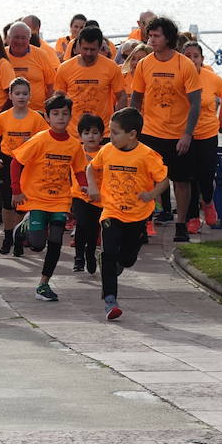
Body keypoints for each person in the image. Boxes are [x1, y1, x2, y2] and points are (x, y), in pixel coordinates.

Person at [86, 107, 169, 321]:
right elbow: (90, 168)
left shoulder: (147, 155)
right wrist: (93, 186)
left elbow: (163, 180)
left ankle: (118, 265)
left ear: (132, 134)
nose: (110, 137)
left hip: (138, 215)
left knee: (128, 258)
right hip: (111, 211)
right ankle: (110, 301)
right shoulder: (106, 151)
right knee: (108, 253)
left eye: (115, 132)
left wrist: (151, 194)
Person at [129, 17, 202, 243]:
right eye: (150, 35)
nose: (151, 39)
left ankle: (181, 223)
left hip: (178, 133)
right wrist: (133, 129)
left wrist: (187, 134)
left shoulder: (184, 64)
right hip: (150, 132)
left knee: (181, 181)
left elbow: (195, 103)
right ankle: (144, 222)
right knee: (145, 180)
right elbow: (136, 98)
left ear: (168, 38)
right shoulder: (144, 64)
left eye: (156, 36)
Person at [11, 94, 88, 302]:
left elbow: (79, 170)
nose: (60, 118)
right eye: (55, 114)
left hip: (60, 200)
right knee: (37, 244)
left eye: (65, 114)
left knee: (55, 241)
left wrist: (85, 187)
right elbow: (16, 162)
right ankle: (23, 228)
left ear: (71, 116)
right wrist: (16, 190)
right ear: (47, 117)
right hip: (36, 198)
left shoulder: (73, 144)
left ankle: (43, 284)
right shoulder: (39, 140)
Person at [0, 77, 49, 256]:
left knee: (21, 203)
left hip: (28, 164)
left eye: (24, 93)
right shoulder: (3, 117)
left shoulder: (36, 118)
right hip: (8, 160)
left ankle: (18, 237)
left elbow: (45, 139)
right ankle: (7, 236)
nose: (21, 97)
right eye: (17, 93)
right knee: (7, 202)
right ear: (11, 95)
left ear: (30, 96)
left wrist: (31, 142)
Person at [181, 40, 222, 235]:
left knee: (206, 175)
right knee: (189, 177)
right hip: (185, 134)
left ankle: (208, 201)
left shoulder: (212, 78)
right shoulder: (179, 79)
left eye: (196, 56)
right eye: (188, 56)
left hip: (208, 133)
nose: (192, 60)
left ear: (202, 59)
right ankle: (193, 217)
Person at [54, 26, 125, 130]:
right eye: (85, 49)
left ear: (100, 47)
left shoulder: (111, 67)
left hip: (103, 131)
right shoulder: (65, 68)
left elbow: (121, 96)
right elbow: (59, 98)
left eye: (93, 49)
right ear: (78, 45)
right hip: (73, 132)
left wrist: (117, 122)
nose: (88, 53)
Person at [70, 113, 104, 277]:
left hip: (98, 199)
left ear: (102, 135)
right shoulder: (76, 152)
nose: (91, 136)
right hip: (79, 196)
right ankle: (78, 258)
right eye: (86, 132)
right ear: (80, 135)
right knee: (82, 224)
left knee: (93, 229)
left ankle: (90, 254)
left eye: (95, 132)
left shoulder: (105, 153)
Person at [3, 22, 57, 109]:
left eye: (23, 38)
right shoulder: (2, 55)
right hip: (10, 114)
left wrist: (47, 108)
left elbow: (52, 84)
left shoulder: (40, 55)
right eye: (16, 37)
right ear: (9, 38)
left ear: (29, 39)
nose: (19, 41)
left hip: (38, 112)